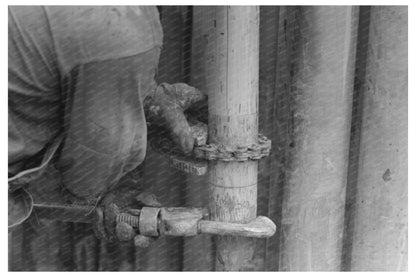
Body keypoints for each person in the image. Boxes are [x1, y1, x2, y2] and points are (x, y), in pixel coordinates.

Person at [8, 6, 204, 245]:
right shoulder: (125, 21)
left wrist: (144, 95)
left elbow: (60, 56)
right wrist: (105, 195)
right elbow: (101, 150)